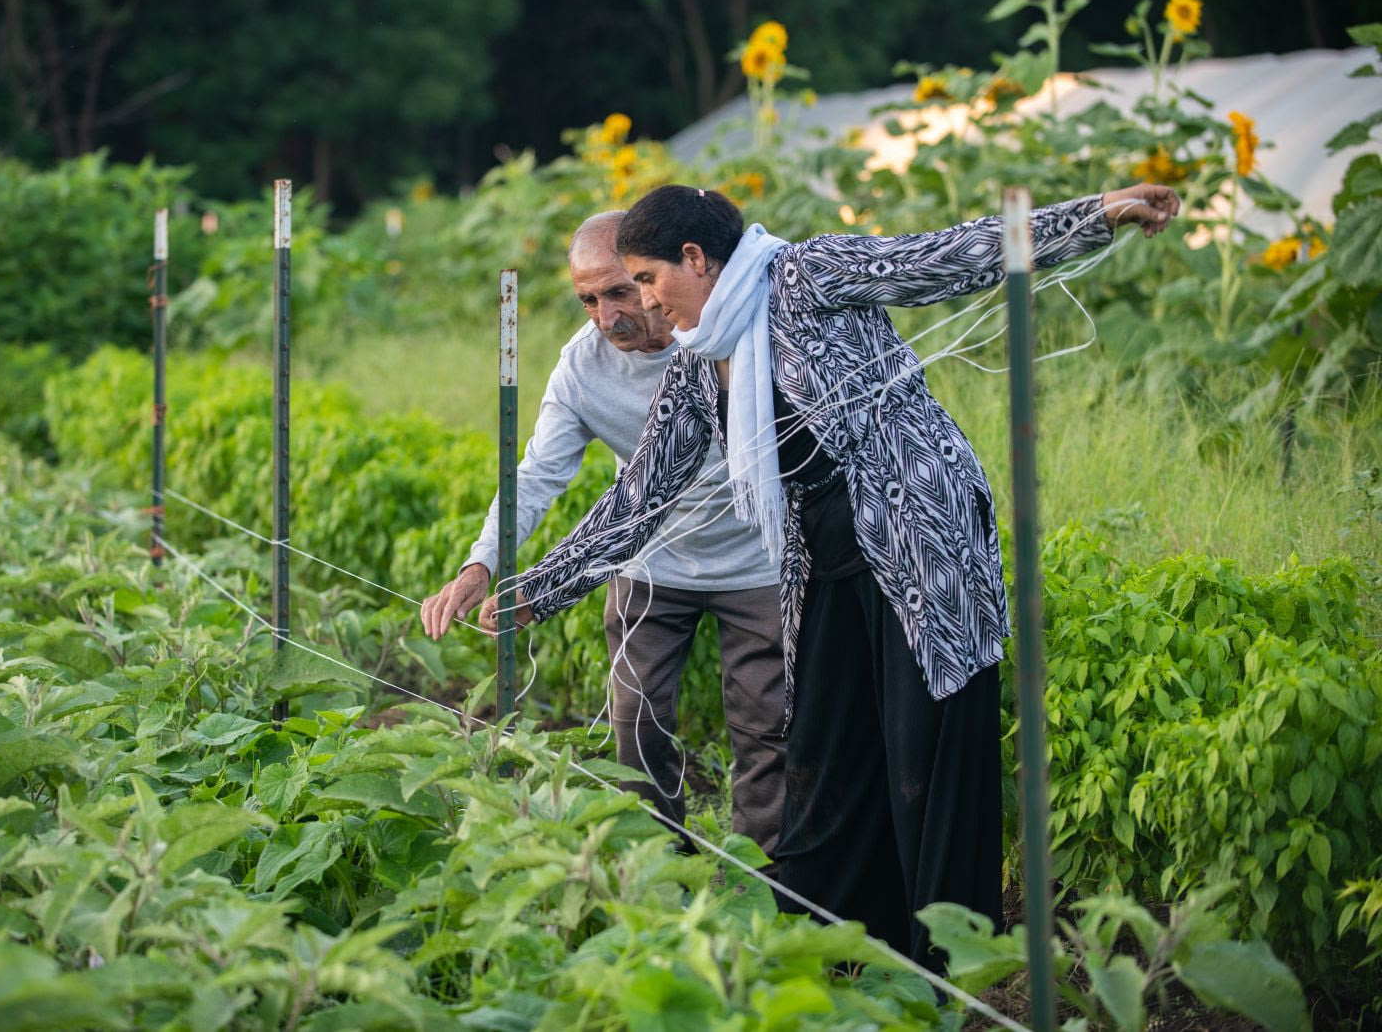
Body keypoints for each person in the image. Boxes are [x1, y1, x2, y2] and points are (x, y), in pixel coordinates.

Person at [481, 182, 1179, 966]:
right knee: (827, 745)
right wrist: (538, 589)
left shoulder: (807, 276)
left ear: (694, 257)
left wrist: (1093, 216)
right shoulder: (699, 361)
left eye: (646, 280)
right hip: (823, 553)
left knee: (923, 750)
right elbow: (638, 496)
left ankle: (942, 966)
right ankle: (840, 949)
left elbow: (946, 257)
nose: (642, 302)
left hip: (919, 537)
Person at [420, 211, 788, 855]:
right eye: (587, 300)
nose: (606, 316)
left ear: (658, 276)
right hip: (648, 566)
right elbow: (536, 476)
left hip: (757, 563)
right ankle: (657, 865)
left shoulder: (730, 337)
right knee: (636, 725)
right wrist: (481, 564)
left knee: (765, 731)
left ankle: (764, 881)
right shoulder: (582, 368)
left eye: (621, 291)